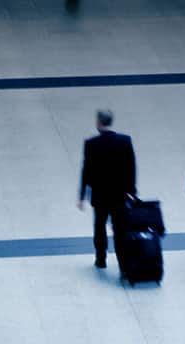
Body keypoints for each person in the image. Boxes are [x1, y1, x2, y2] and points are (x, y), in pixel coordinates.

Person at [78, 110, 138, 269]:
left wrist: (82, 195)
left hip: (100, 195)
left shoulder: (91, 144)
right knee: (120, 230)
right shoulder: (125, 141)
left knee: (99, 227)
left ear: (98, 123)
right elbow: (131, 168)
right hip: (120, 195)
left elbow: (86, 171)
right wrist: (132, 192)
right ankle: (123, 264)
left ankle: (101, 258)